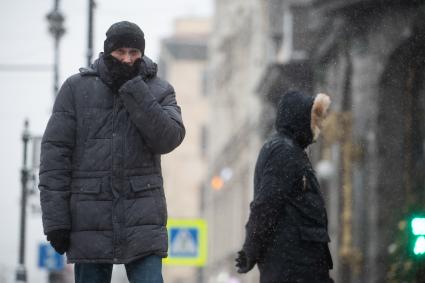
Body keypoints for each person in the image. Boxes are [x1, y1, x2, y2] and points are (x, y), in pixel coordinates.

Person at [39, 21, 185, 283]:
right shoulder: (75, 89)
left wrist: (133, 89)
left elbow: (168, 138)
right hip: (89, 220)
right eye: (121, 52)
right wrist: (56, 221)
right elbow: (55, 159)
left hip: (143, 219)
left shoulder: (159, 90)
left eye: (134, 53)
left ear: (142, 53)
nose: (128, 59)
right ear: (108, 53)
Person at [235, 91, 334, 283]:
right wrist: (250, 250)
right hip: (291, 268)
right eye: (314, 118)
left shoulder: (292, 150)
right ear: (299, 117)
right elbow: (266, 205)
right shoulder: (283, 151)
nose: (319, 124)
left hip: (299, 267)